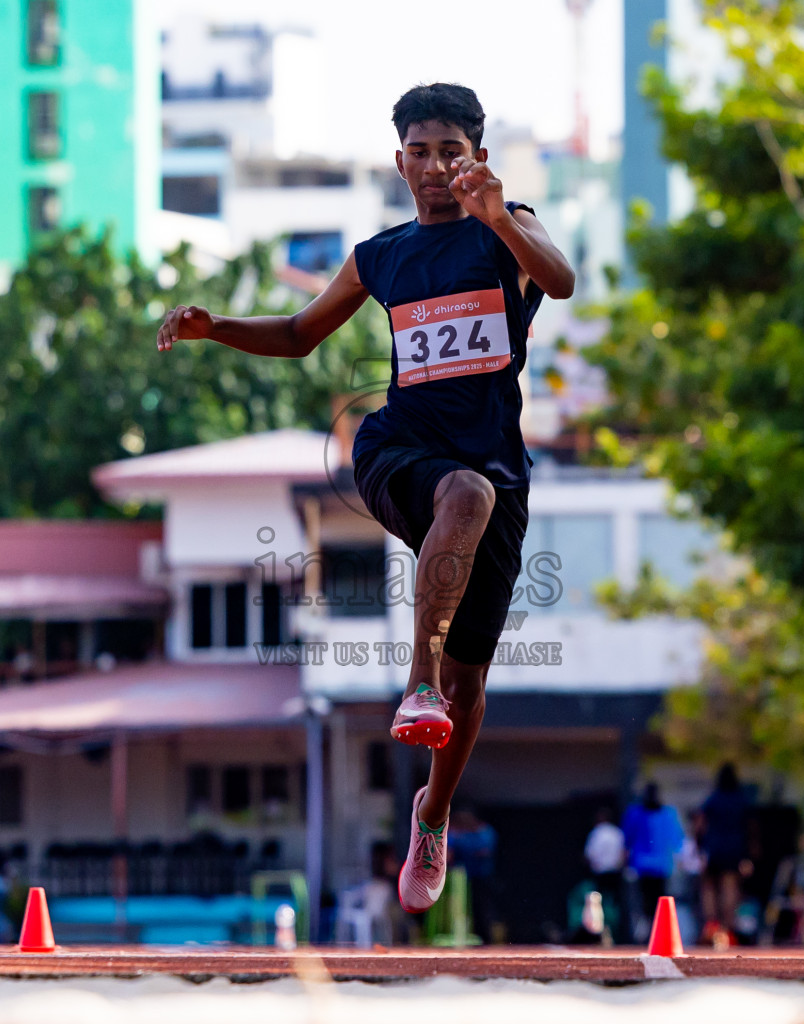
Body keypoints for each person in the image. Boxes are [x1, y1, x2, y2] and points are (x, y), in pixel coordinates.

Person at [156, 82, 574, 915]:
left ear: (477, 159)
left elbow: (558, 282)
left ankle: (433, 810)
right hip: (400, 451)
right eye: (418, 153)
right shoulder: (380, 255)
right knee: (460, 494)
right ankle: (413, 682)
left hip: (498, 467)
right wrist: (218, 327)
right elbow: (301, 334)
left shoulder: (508, 225)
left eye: (450, 152)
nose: (433, 168)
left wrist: (499, 215)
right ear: (398, 162)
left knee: (472, 682)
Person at [696, 763, 751, 946]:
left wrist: (700, 848)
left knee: (709, 886)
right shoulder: (741, 800)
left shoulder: (713, 799)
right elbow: (750, 828)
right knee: (730, 886)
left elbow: (700, 825)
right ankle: (728, 928)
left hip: (714, 848)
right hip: (735, 849)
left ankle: (712, 925)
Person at [623, 782, 687, 939]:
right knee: (659, 900)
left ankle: (651, 930)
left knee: (646, 901)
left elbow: (626, 839)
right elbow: (678, 840)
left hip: (645, 866)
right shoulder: (667, 814)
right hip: (660, 866)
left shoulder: (636, 813)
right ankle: (657, 931)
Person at [448, 807, 499, 943]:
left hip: (481, 877)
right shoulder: (456, 833)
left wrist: (463, 846)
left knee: (482, 909)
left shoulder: (485, 832)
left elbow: (484, 851)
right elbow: (448, 852)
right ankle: (462, 935)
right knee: (460, 909)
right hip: (460, 878)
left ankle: (486, 939)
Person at [583, 806, 627, 935]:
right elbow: (623, 854)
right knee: (614, 904)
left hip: (601, 873)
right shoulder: (617, 832)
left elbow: (590, 855)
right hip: (615, 873)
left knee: (597, 904)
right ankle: (615, 931)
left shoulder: (597, 833)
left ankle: (601, 932)